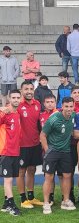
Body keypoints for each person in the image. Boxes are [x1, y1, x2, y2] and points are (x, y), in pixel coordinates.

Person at [40, 97, 77, 214]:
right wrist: (47, 151)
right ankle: (46, 203)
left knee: (67, 175)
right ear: (62, 107)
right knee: (49, 177)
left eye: (71, 106)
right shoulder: (54, 118)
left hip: (65, 151)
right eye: (66, 106)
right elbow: (42, 135)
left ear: (73, 106)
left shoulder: (73, 116)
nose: (69, 109)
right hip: (53, 151)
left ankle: (65, 200)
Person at [16, 81, 43, 209]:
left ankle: (31, 197)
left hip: (35, 143)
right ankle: (23, 199)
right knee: (21, 171)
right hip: (21, 145)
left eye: (31, 89)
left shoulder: (37, 104)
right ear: (21, 91)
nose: (29, 91)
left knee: (32, 169)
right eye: (26, 89)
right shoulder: (18, 106)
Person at [0, 89, 22, 216]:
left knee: (10, 179)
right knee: (8, 180)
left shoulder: (17, 113)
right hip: (6, 151)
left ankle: (5, 204)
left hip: (15, 151)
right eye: (13, 97)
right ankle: (12, 206)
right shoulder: (4, 113)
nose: (15, 100)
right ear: (9, 98)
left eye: (17, 97)